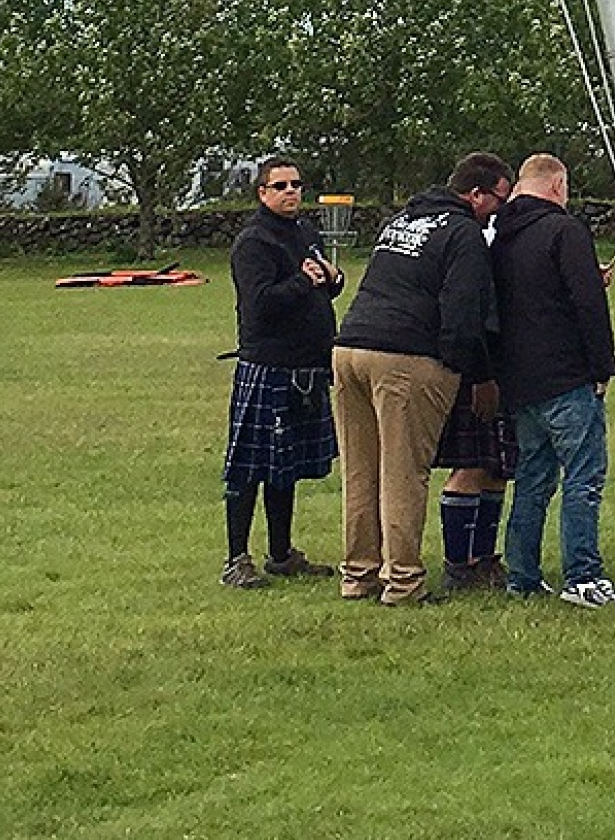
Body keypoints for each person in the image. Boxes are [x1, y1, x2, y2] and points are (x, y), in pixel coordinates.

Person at [333, 153, 511, 606]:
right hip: (406, 355)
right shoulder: (464, 233)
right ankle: (404, 583)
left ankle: (358, 575)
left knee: (361, 471)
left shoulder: (401, 221)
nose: (499, 211)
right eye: (498, 200)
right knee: (403, 474)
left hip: (350, 346)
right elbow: (462, 313)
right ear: (476, 194)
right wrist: (475, 375)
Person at [492, 153, 615, 607]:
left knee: (532, 477)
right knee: (583, 477)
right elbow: (585, 303)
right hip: (565, 374)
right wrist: (601, 366)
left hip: (520, 379)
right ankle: (583, 575)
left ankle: (522, 575)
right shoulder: (565, 231)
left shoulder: (500, 239)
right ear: (557, 185)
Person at [219, 157, 343, 588]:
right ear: (263, 193)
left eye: (296, 184)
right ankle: (236, 559)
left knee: (284, 465)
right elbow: (261, 304)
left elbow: (325, 288)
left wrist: (332, 277)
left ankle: (281, 553)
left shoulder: (305, 233)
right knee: (247, 466)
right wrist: (303, 283)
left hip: (307, 364)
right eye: (281, 186)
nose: (291, 192)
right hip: (267, 364)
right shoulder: (253, 242)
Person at [430, 380, 515, 592]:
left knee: (495, 469)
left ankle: (482, 561)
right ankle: (458, 567)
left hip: (500, 375)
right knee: (470, 468)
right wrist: (481, 377)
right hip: (475, 379)